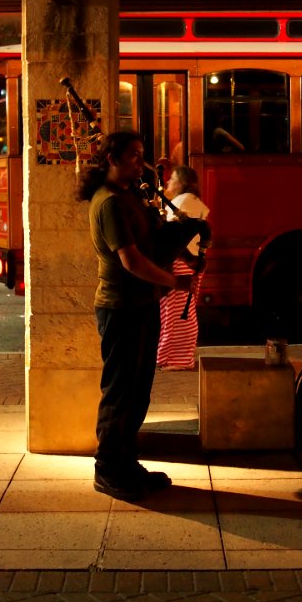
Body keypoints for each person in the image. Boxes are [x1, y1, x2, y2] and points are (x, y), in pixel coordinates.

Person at [77, 131, 198, 502]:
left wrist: (186, 245)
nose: (141, 162)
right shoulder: (109, 203)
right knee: (121, 392)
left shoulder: (130, 196)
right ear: (111, 158)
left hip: (142, 304)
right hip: (121, 308)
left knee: (139, 392)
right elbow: (131, 261)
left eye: (142, 154)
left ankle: (127, 461)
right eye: (133, 155)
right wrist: (174, 282)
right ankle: (108, 469)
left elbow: (152, 243)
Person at [156, 166, 210, 371]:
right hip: (189, 262)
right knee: (181, 312)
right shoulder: (192, 201)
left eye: (173, 179)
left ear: (183, 182)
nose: (169, 182)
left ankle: (173, 357)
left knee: (175, 313)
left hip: (180, 263)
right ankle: (174, 356)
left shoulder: (183, 202)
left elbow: (172, 237)